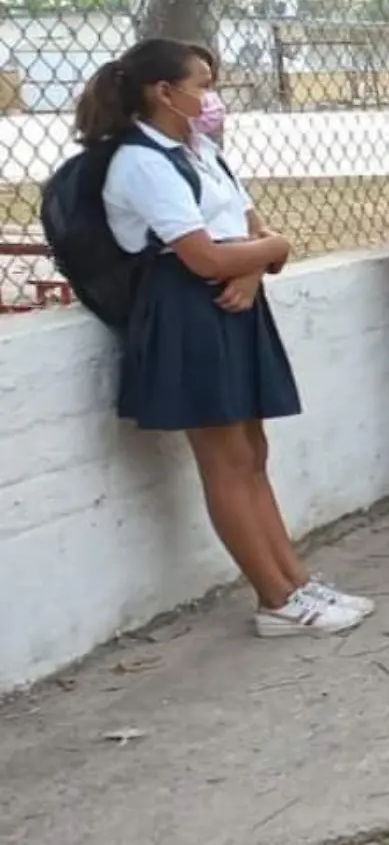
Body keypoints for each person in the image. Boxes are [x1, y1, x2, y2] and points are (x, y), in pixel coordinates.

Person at [82, 37, 371, 635]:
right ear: (164, 92)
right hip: (189, 312)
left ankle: (294, 578)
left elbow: (246, 227)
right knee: (226, 461)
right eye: (202, 85)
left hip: (233, 303)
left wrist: (254, 264)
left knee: (253, 454)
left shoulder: (202, 151)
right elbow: (202, 257)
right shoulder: (140, 161)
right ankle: (273, 599)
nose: (212, 99)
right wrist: (272, 252)